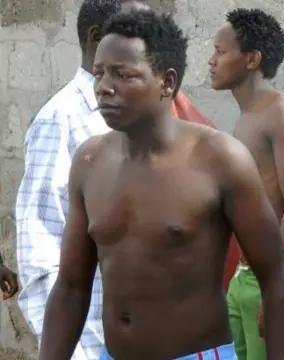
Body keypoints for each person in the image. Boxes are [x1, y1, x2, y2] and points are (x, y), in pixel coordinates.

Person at [38, 10, 284, 360]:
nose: (104, 87)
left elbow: (276, 274)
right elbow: (71, 287)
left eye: (123, 74)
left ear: (167, 82)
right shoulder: (90, 163)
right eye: (99, 73)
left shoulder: (219, 159)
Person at [14, 1, 217, 359]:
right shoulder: (60, 120)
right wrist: (79, 352)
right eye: (133, 25)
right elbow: (40, 253)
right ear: (99, 37)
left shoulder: (147, 112)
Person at [209, 8, 284, 360]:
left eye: (220, 51)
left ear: (252, 59)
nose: (211, 60)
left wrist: (277, 288)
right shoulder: (246, 118)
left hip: (282, 275)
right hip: (247, 277)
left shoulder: (282, 112)